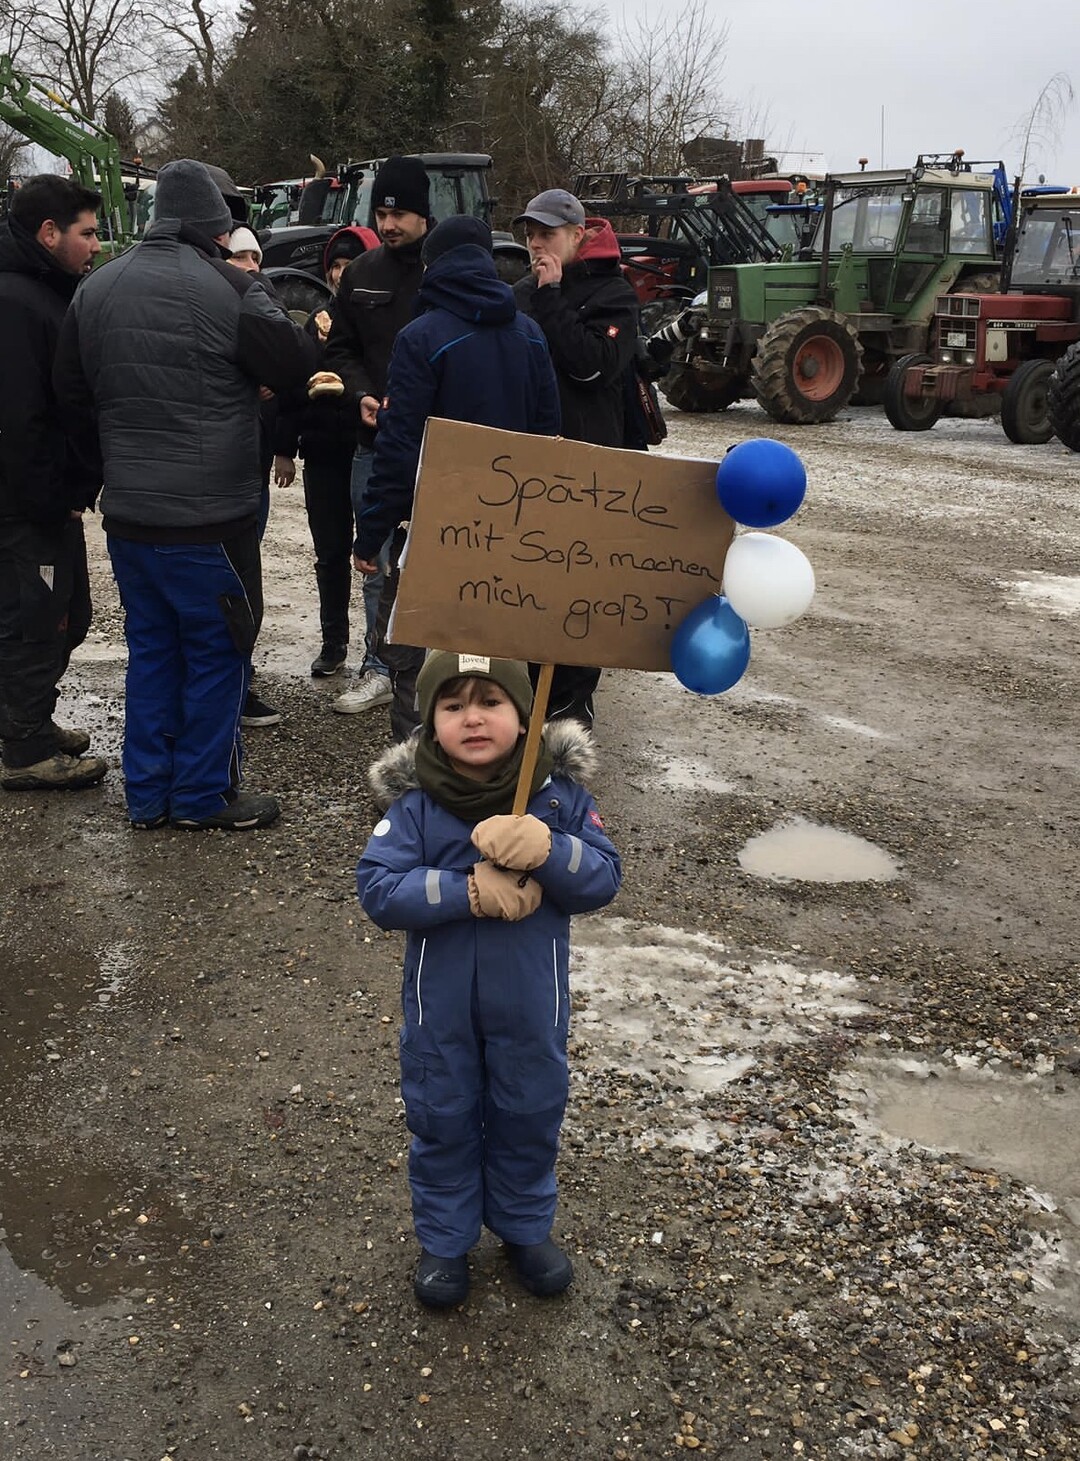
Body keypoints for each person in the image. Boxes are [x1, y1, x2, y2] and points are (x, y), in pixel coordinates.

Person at [53, 159, 317, 831]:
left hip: (133, 515)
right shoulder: (232, 288)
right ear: (216, 226)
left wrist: (111, 463)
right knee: (215, 652)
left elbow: (71, 394)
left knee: (151, 651)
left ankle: (147, 796)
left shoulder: (96, 288)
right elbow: (290, 366)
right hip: (212, 517)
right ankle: (201, 796)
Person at [356, 651, 621, 1307]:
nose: (472, 718)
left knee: (528, 1111)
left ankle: (524, 1227)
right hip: (440, 1013)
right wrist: (464, 890)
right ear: (431, 720)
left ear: (523, 712)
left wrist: (551, 848)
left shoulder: (558, 798)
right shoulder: (417, 805)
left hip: (531, 1010)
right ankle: (444, 1240)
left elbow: (603, 877)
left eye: (490, 702)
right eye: (452, 705)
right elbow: (379, 887)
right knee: (442, 1114)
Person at [351, 215, 561, 742]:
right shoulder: (530, 334)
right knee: (498, 662)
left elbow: (397, 449)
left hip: (437, 535)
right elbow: (547, 438)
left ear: (432, 268)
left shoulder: (422, 336)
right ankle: (492, 777)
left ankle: (421, 785)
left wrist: (371, 533)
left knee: (419, 663)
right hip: (512, 538)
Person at [513, 188, 640, 728]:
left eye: (548, 234)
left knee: (582, 589)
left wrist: (551, 296)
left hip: (593, 472)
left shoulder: (614, 294)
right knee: (531, 583)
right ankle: (530, 695)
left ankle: (571, 704)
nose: (537, 244)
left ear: (577, 235)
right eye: (531, 234)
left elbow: (592, 367)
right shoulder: (523, 292)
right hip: (532, 467)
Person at [0, 173, 108, 791]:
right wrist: (56, 499)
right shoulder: (17, 302)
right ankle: (28, 747)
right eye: (86, 233)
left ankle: (26, 719)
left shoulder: (42, 291)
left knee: (60, 615)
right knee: (35, 621)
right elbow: (21, 418)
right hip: (26, 506)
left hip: (37, 499)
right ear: (48, 234)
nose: (95, 246)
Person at [322, 155, 432, 711]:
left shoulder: (447, 270)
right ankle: (378, 664)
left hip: (441, 446)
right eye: (382, 213)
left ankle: (440, 667)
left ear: (424, 214)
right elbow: (340, 348)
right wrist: (360, 391)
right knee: (376, 558)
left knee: (442, 559)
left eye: (400, 213)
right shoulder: (362, 274)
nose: (389, 224)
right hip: (375, 441)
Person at [274, 224, 379, 700]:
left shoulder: (378, 320)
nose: (341, 273)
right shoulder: (313, 321)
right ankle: (334, 640)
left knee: (376, 554)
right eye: (336, 265)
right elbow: (290, 385)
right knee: (330, 550)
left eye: (350, 264)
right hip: (323, 452)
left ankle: (380, 650)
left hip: (371, 447)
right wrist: (284, 447)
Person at [224, 223, 295, 730]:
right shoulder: (212, 304)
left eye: (255, 256)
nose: (250, 265)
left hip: (251, 465)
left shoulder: (262, 299)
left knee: (248, 583)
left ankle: (242, 683)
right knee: (223, 588)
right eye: (239, 256)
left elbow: (291, 368)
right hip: (216, 472)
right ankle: (228, 690)